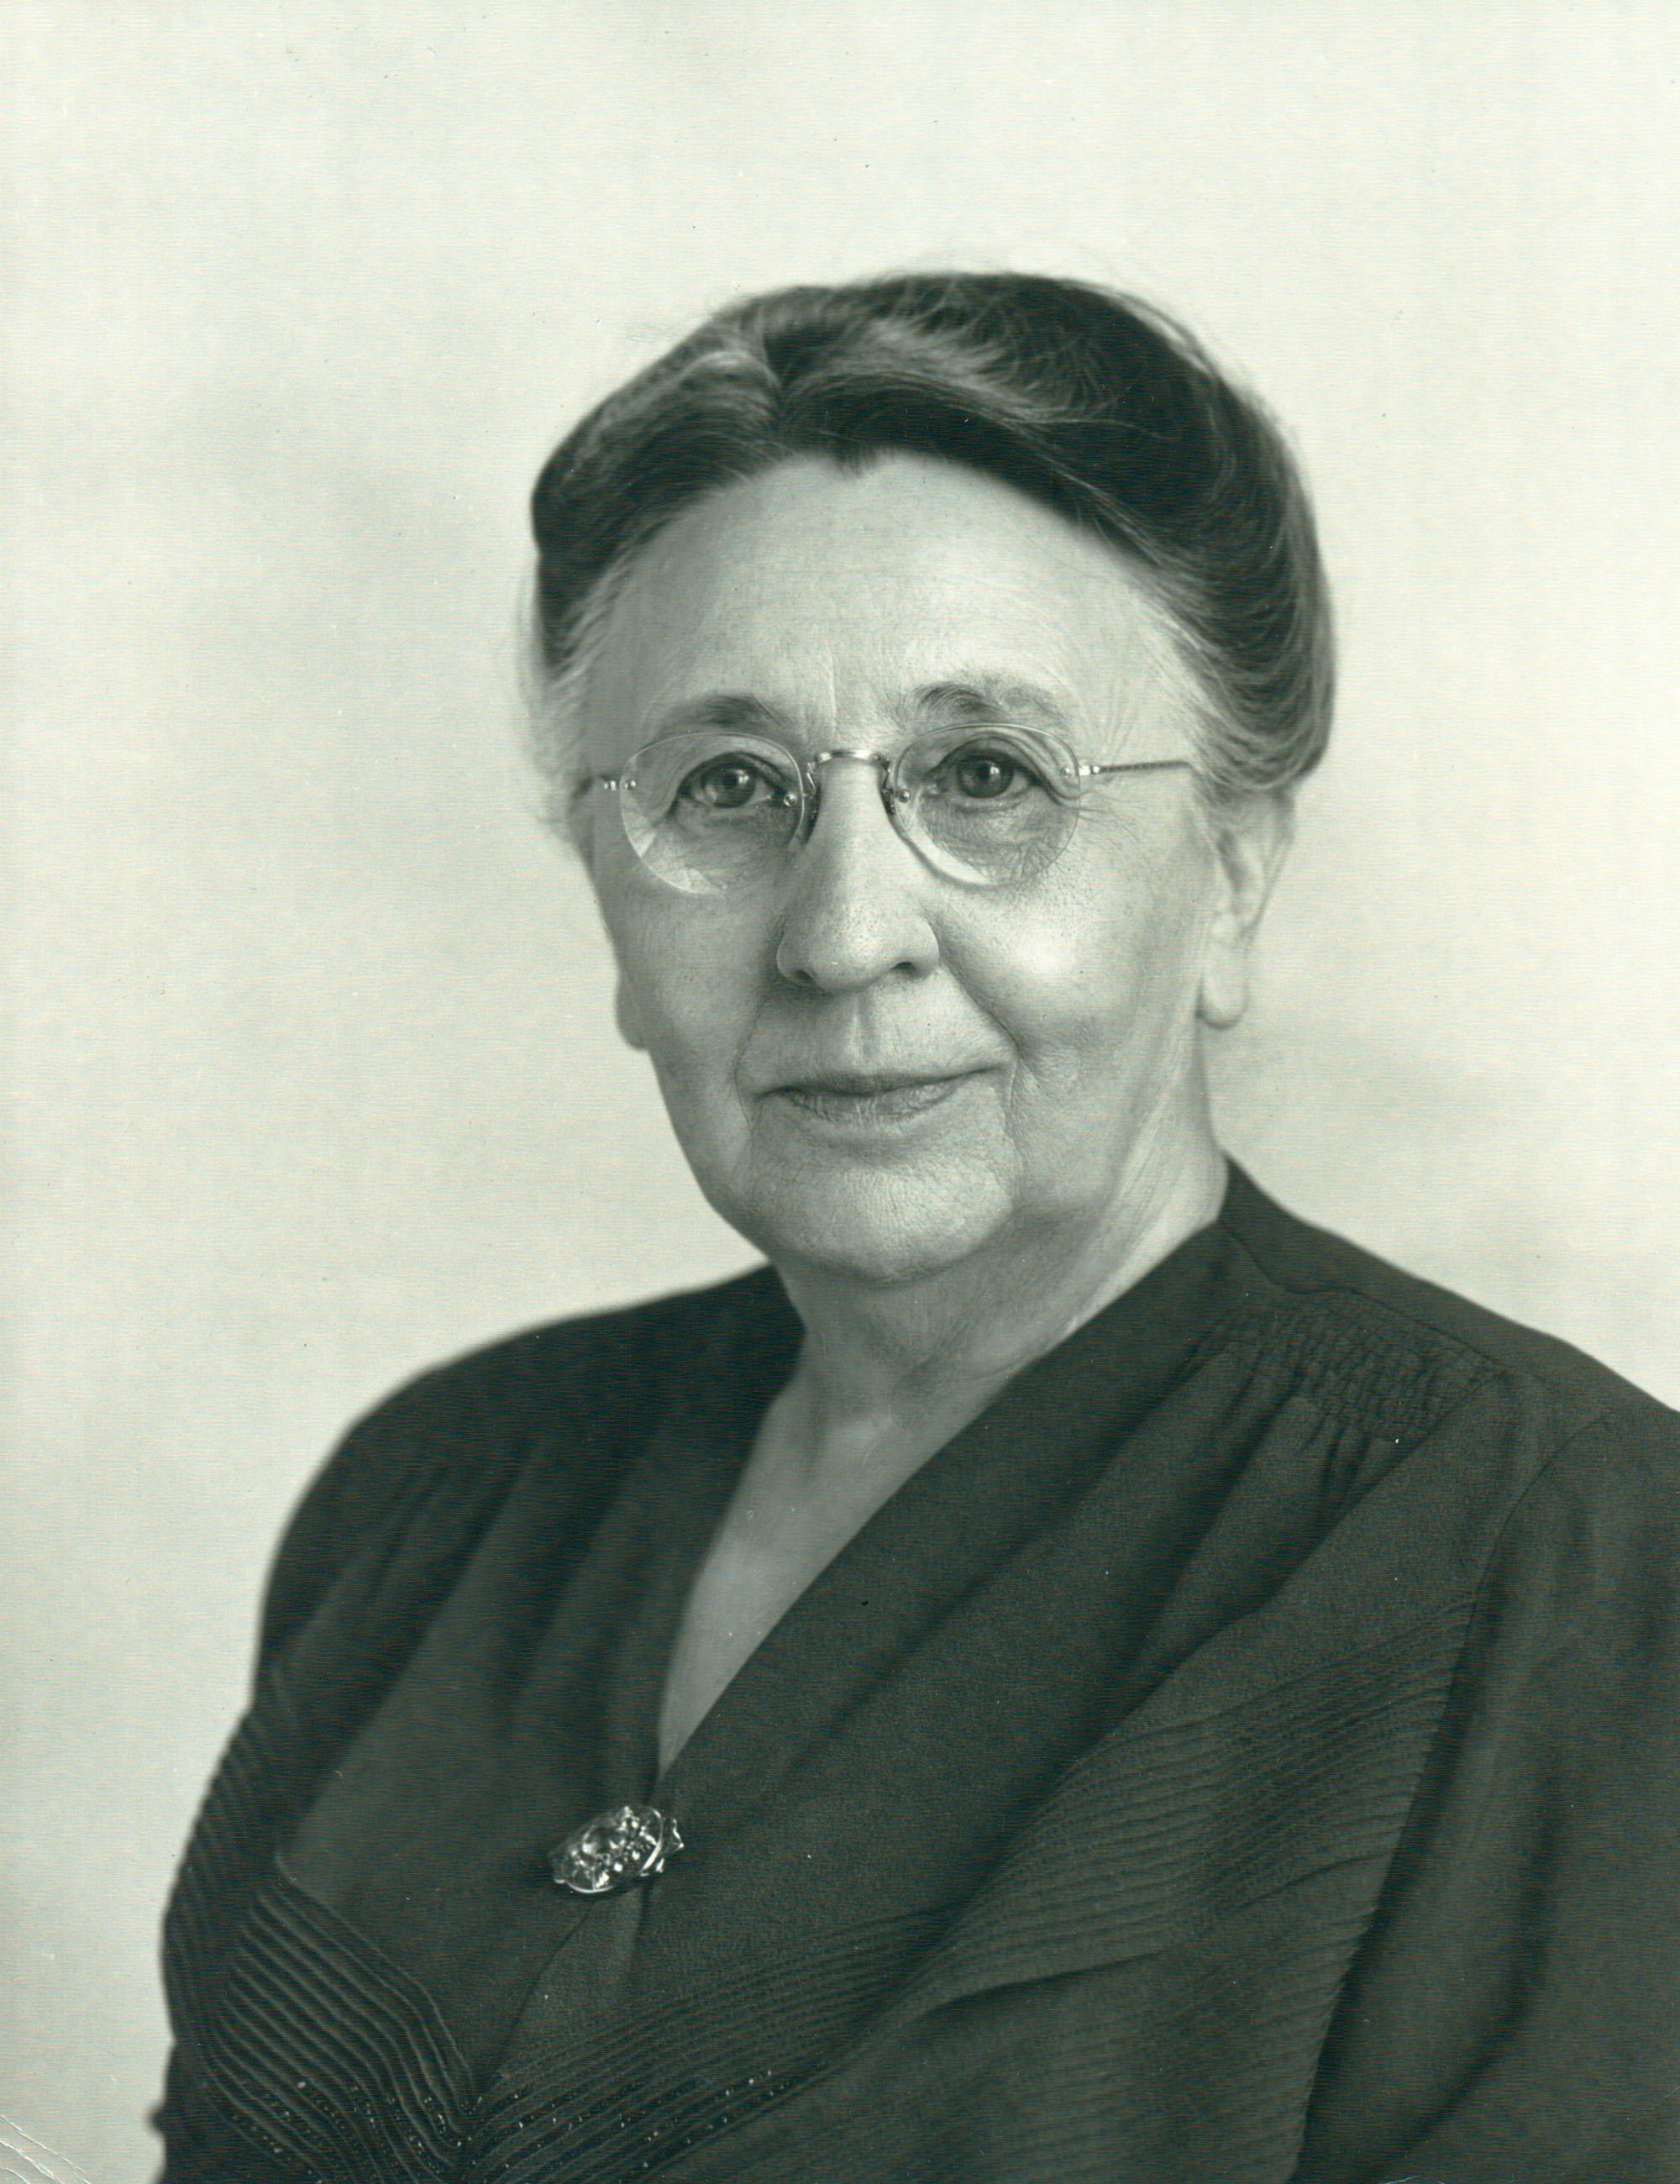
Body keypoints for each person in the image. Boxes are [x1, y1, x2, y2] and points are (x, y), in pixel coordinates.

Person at [153, 273, 1679, 2183]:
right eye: (728, 789)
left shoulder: (1563, 1571)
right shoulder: (437, 1502)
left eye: (986, 777)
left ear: (1227, 877)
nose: (842, 932)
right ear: (610, 904)